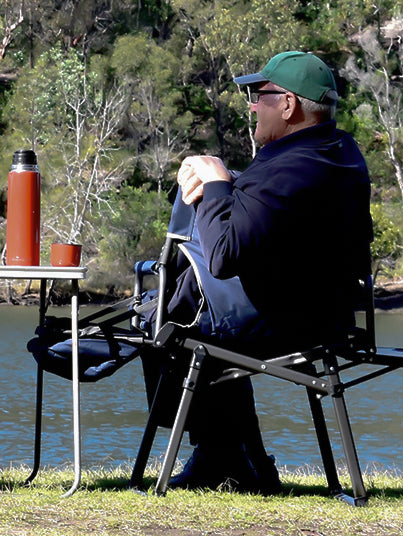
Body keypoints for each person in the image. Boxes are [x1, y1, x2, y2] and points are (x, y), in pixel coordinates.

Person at [162, 51, 373, 493]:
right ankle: (239, 459)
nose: (253, 105)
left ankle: (224, 458)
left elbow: (222, 255)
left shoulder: (294, 168)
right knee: (189, 310)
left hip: (288, 322)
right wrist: (226, 182)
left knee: (171, 320)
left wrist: (216, 179)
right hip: (325, 315)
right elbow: (270, 220)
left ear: (289, 105)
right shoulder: (338, 152)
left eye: (260, 96)